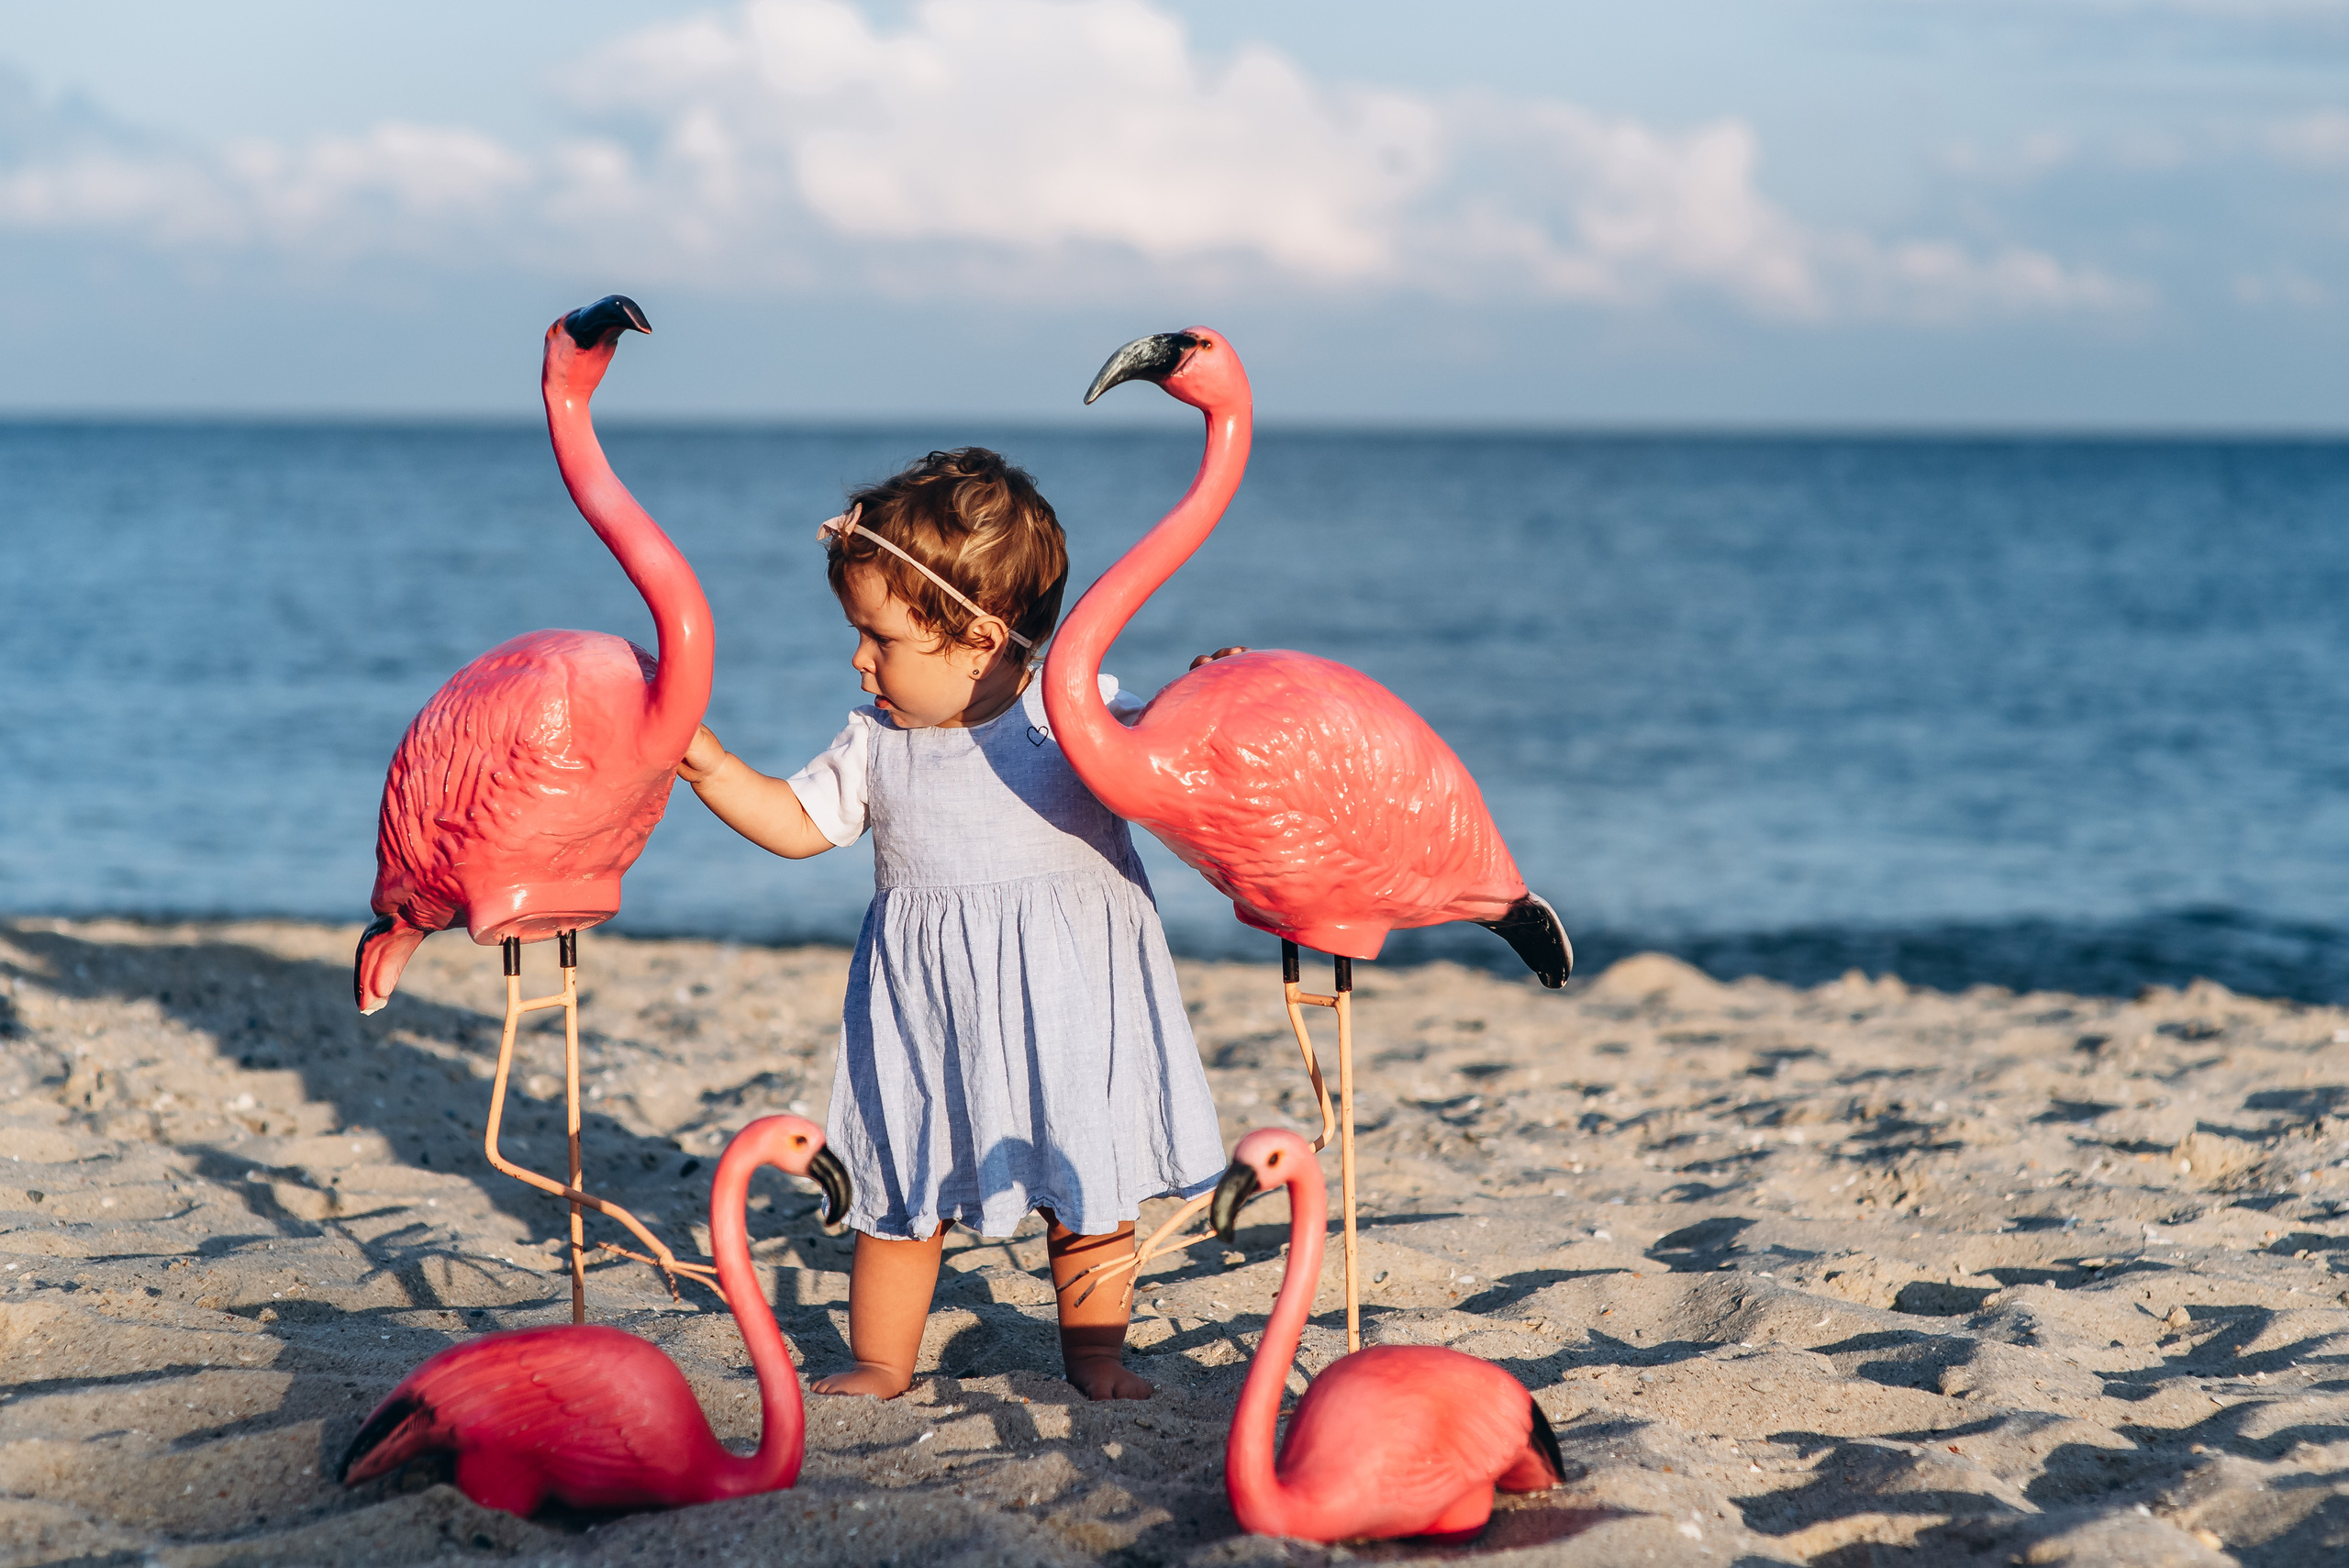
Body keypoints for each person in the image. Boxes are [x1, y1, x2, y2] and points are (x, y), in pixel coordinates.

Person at [678, 447, 1225, 1401]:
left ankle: (1096, 1355)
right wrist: (713, 767)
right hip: (926, 1009)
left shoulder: (1074, 709)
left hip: (1070, 999)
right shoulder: (875, 740)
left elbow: (1172, 764)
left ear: (977, 636)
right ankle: (881, 1359)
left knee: (1085, 1181)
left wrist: (1211, 702)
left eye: (879, 637)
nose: (857, 659)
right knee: (899, 1191)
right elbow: (800, 826)